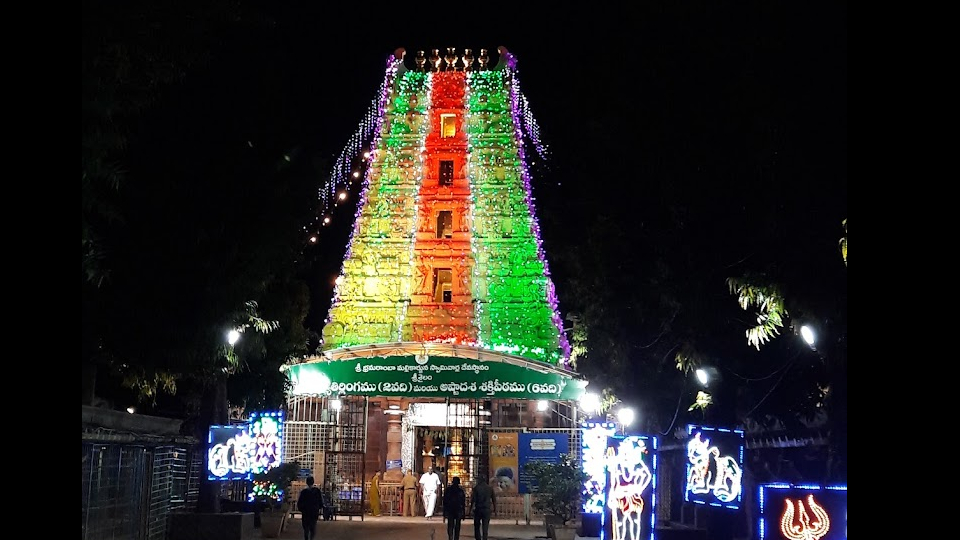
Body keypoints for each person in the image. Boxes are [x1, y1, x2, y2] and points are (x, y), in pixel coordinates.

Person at [297, 475, 324, 540]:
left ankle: (306, 537)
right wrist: (320, 507)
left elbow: (300, 502)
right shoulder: (317, 491)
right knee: (313, 526)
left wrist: (301, 509)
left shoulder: (304, 492)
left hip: (306, 511)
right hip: (314, 511)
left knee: (306, 526)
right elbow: (320, 500)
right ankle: (311, 538)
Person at [471, 474, 496, 540]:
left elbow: (473, 499)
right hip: (486, 509)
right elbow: (494, 499)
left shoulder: (476, 488)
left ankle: (478, 538)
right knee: (485, 526)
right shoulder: (490, 488)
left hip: (478, 509)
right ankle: (485, 538)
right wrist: (495, 510)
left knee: (477, 526)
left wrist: (470, 509)